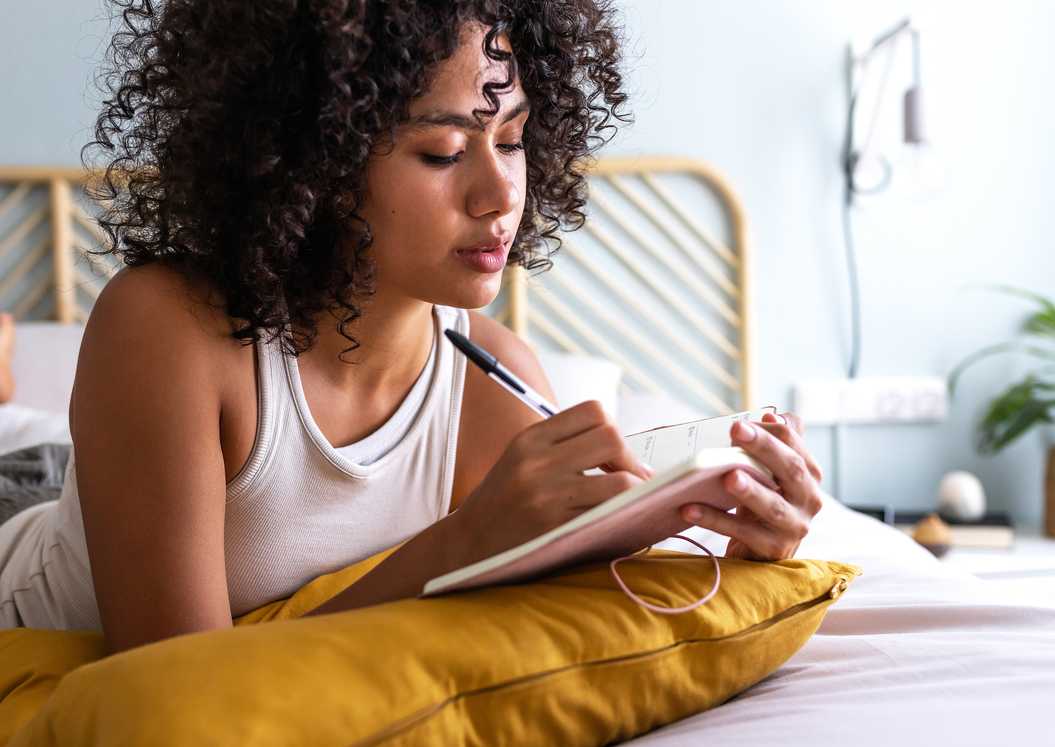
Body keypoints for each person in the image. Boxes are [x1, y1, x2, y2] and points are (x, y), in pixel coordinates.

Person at [0, 0, 824, 653]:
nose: (500, 194)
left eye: (513, 139)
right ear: (316, 161)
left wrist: (734, 539)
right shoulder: (167, 328)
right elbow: (174, 689)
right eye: (443, 152)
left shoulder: (499, 388)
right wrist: (468, 539)